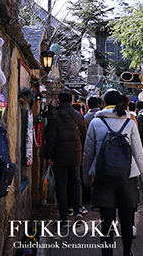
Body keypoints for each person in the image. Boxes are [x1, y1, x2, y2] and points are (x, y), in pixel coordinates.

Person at [83, 90, 143, 256]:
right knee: (127, 221)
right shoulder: (130, 123)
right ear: (121, 103)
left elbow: (88, 154)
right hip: (128, 178)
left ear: (104, 104)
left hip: (103, 178)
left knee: (107, 223)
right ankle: (127, 252)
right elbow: (139, 154)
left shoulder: (95, 123)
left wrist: (87, 179)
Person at [44, 91, 87, 221]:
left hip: (59, 156)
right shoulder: (79, 116)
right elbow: (84, 137)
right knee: (76, 183)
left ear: (59, 101)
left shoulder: (54, 116)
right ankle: (78, 210)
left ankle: (63, 217)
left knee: (61, 185)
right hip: (76, 156)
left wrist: (48, 156)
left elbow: (51, 138)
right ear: (72, 102)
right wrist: (83, 155)